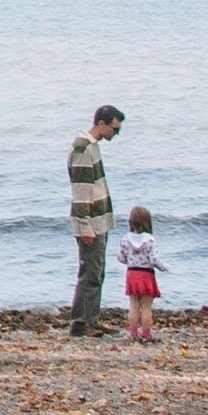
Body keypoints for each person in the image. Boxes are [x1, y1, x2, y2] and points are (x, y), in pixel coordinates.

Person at [68, 105, 124, 337]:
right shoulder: (83, 150)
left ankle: (92, 319)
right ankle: (81, 323)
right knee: (90, 272)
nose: (115, 134)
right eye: (114, 129)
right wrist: (85, 227)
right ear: (101, 123)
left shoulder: (92, 147)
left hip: (99, 220)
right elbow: (81, 191)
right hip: (90, 223)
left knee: (97, 272)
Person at [119, 205, 165, 343]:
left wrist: (130, 260)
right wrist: (163, 267)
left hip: (132, 273)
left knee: (133, 304)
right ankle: (146, 334)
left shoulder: (125, 239)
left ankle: (133, 333)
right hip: (146, 274)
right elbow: (154, 259)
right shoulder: (150, 239)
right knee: (146, 306)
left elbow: (121, 257)